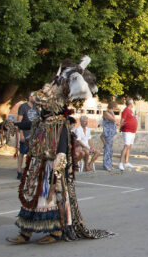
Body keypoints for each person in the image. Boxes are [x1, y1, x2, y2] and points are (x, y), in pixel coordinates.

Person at [7, 55, 111, 244]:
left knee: (49, 198)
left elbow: (63, 142)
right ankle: (25, 232)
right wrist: (11, 125)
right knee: (31, 195)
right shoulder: (41, 119)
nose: (43, 102)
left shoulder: (60, 122)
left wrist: (60, 158)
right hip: (37, 162)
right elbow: (28, 123)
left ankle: (54, 232)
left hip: (51, 164)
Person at [16, 92, 40, 179]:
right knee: (22, 152)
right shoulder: (23, 107)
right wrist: (21, 134)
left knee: (33, 153)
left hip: (35, 134)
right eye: (34, 96)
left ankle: (29, 170)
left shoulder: (36, 108)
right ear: (30, 97)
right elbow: (19, 121)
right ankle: (19, 171)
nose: (36, 98)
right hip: (25, 133)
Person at [119, 99, 138, 171]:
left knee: (129, 146)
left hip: (132, 131)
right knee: (126, 146)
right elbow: (122, 120)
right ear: (130, 103)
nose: (133, 104)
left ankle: (126, 162)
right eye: (133, 102)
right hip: (127, 131)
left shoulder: (130, 111)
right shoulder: (125, 110)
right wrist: (121, 127)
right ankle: (120, 163)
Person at [101, 101, 120, 171]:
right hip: (108, 133)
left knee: (110, 149)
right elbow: (113, 119)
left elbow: (113, 118)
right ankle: (106, 165)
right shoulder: (106, 113)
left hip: (111, 133)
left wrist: (112, 112)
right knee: (107, 149)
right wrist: (112, 112)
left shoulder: (110, 113)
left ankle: (109, 164)